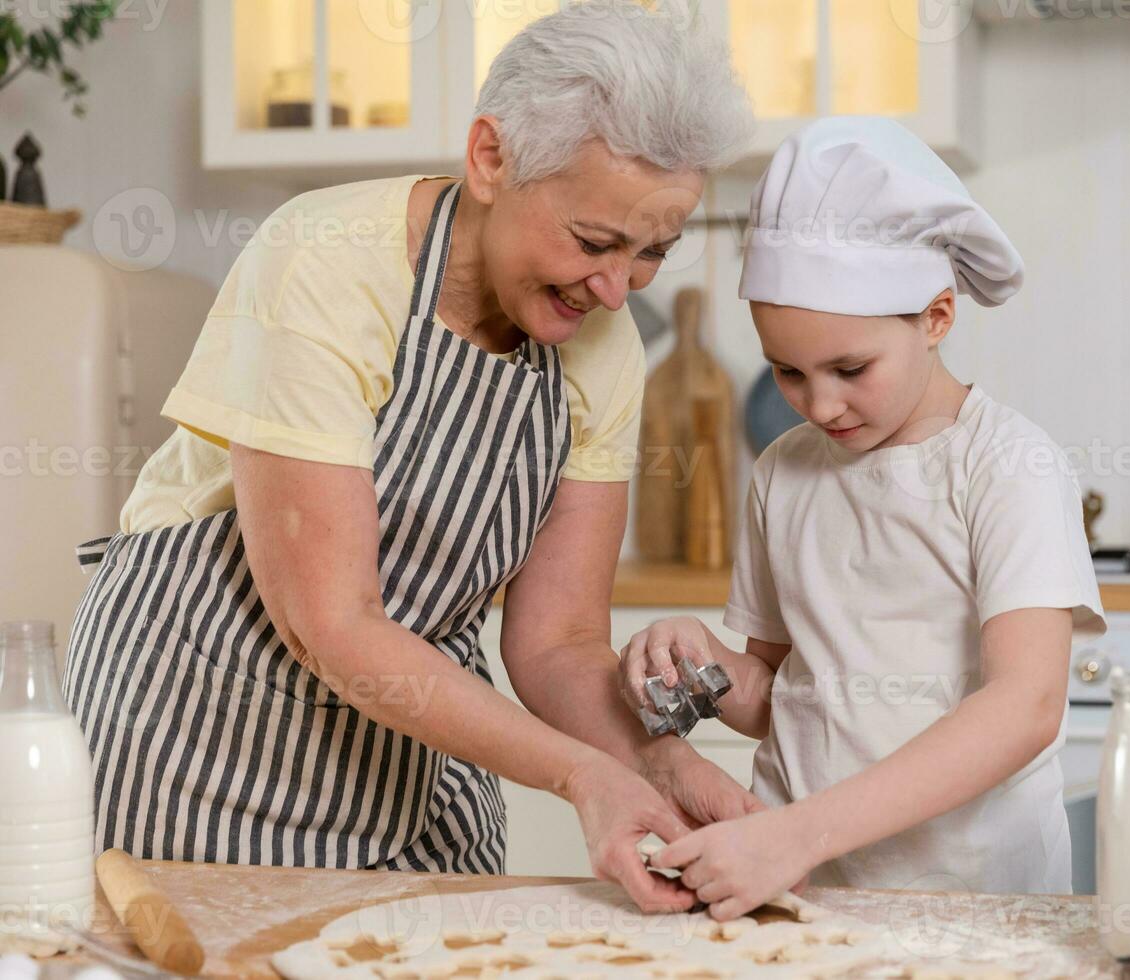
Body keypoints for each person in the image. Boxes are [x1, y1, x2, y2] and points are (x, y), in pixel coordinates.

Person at [63, 0, 754, 911]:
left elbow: (558, 642)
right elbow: (331, 621)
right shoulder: (328, 260)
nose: (616, 290)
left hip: (414, 748)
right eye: (593, 242)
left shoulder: (601, 347)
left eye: (652, 253)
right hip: (200, 728)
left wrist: (660, 763)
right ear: (490, 157)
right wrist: (581, 778)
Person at [619, 117, 1108, 919]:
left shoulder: (1007, 465)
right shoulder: (784, 473)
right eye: (789, 372)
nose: (819, 404)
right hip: (806, 893)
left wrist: (799, 835)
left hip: (976, 900)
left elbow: (1024, 706)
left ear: (937, 318)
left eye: (850, 368)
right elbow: (780, 694)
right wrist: (703, 663)